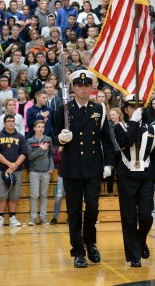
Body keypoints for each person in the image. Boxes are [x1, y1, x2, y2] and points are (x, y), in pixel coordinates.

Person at [52, 70, 114, 268]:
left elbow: (107, 140)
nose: (84, 88)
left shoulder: (99, 109)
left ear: (92, 87)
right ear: (74, 88)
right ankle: (78, 251)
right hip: (71, 169)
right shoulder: (64, 109)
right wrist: (60, 139)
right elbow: (53, 136)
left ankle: (90, 242)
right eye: (79, 85)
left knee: (93, 207)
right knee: (74, 211)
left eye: (87, 85)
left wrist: (108, 164)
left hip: (93, 167)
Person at [114, 95, 155, 267]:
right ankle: (134, 255)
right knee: (129, 218)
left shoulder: (151, 129)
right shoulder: (120, 127)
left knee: (146, 216)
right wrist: (133, 122)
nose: (136, 109)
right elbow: (126, 142)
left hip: (146, 177)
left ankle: (140, 241)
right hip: (127, 177)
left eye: (139, 106)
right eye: (132, 107)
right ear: (126, 110)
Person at [0, 114, 28, 227]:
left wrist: (15, 165)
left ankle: (12, 217)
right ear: (4, 123)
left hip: (16, 171)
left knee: (14, 195)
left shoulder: (21, 137)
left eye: (13, 121)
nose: (11, 123)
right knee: (1, 195)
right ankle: (1, 217)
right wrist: (9, 165)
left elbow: (24, 153)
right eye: (8, 121)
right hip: (0, 170)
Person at [27, 120, 54, 226]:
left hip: (46, 172)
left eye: (42, 127)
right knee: (34, 196)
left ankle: (43, 218)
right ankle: (33, 219)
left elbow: (50, 155)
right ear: (34, 128)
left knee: (44, 195)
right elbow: (29, 157)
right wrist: (40, 149)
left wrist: (51, 166)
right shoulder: (29, 141)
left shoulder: (48, 139)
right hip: (34, 172)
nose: (41, 129)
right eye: (38, 127)